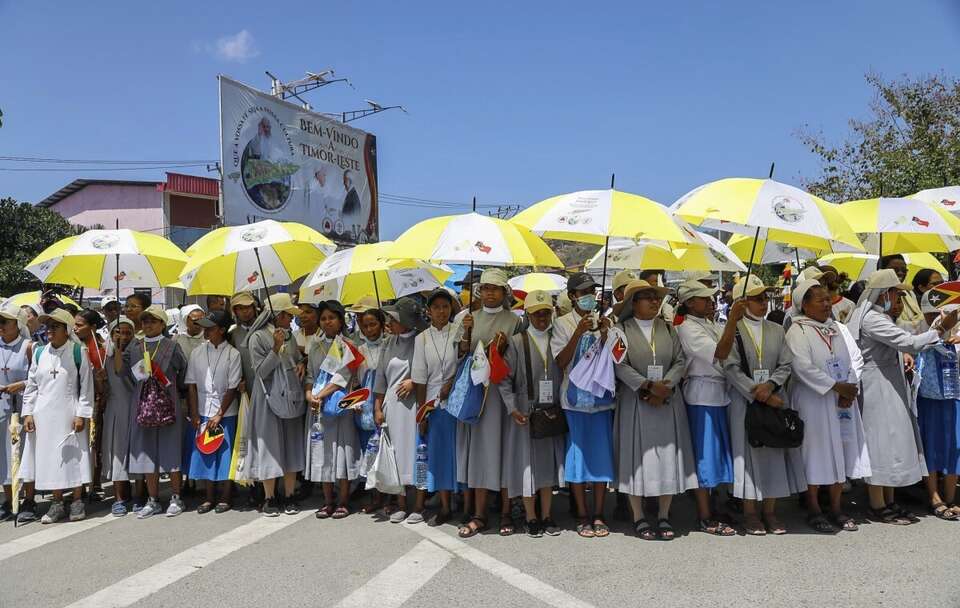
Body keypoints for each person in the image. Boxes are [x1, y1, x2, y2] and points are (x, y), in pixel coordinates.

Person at [848, 269, 958, 524]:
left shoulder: (881, 316)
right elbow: (910, 342)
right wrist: (942, 327)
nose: (899, 299)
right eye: (896, 293)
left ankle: (888, 499)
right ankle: (877, 503)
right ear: (884, 293)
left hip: (890, 384)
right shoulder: (874, 319)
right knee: (879, 443)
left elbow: (904, 346)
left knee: (893, 442)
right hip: (877, 387)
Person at [720, 275, 806, 535]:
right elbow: (729, 366)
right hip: (744, 400)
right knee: (747, 455)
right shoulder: (733, 329)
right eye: (757, 299)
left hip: (774, 396)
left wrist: (770, 387)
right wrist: (755, 391)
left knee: (774, 451)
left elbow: (786, 363)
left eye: (764, 298)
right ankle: (749, 512)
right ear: (741, 302)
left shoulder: (776, 329)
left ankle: (770, 511)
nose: (763, 303)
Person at [613, 279, 696, 540]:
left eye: (656, 297)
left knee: (667, 456)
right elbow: (619, 364)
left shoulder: (669, 329)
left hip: (667, 400)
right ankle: (638, 516)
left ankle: (663, 514)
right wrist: (647, 385)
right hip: (636, 399)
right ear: (632, 303)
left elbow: (680, 360)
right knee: (636, 458)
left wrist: (666, 386)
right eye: (647, 297)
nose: (654, 301)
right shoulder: (620, 330)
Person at [787, 280, 871, 533]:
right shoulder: (797, 331)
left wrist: (851, 387)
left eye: (828, 299)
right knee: (815, 453)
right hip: (814, 401)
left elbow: (853, 360)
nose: (827, 304)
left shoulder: (835, 328)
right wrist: (836, 387)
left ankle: (836, 507)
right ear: (804, 305)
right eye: (820, 300)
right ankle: (813, 507)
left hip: (841, 399)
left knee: (841, 451)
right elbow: (802, 367)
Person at [456, 269, 522, 538]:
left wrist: (504, 350)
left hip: (504, 396)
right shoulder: (469, 319)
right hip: (477, 395)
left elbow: (518, 360)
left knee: (505, 451)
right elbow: (460, 355)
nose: (490, 292)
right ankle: (480, 514)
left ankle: (506, 511)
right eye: (485, 288)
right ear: (479, 291)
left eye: (495, 288)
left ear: (504, 292)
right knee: (481, 453)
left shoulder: (515, 321)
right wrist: (465, 336)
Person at [497, 290, 565, 538]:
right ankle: (531, 516)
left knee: (547, 467)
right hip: (525, 411)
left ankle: (547, 515)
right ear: (528, 314)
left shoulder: (558, 339)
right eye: (537, 314)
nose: (542, 319)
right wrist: (512, 407)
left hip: (551, 411)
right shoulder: (516, 342)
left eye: (546, 313)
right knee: (527, 466)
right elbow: (503, 379)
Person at [551, 272, 615, 539]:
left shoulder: (607, 321)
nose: (589, 296)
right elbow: (560, 362)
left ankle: (599, 512)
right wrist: (577, 334)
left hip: (601, 400)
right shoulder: (562, 324)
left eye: (592, 291)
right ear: (573, 296)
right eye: (583, 292)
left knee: (601, 456)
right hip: (575, 401)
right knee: (576, 457)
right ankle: (581, 513)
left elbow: (617, 357)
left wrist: (607, 334)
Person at [20, 308, 95, 523]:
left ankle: (77, 501)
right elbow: (32, 385)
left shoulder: (78, 352)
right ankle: (56, 503)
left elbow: (86, 387)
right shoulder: (39, 353)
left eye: (55, 326)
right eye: (48, 326)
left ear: (66, 329)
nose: (49, 330)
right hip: (43, 414)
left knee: (73, 456)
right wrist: (28, 414)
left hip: (69, 412)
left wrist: (81, 414)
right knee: (49, 458)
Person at [675, 279, 736, 536]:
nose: (711, 301)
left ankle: (716, 503)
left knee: (717, 454)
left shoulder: (709, 323)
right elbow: (721, 353)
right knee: (704, 456)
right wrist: (733, 319)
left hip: (720, 392)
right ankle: (704, 514)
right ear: (690, 302)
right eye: (705, 298)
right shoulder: (688, 328)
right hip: (702, 394)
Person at [124, 305, 188, 519]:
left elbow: (182, 370)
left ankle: (176, 496)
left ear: (162, 323)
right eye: (145, 321)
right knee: (145, 450)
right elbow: (127, 373)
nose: (148, 324)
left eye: (153, 320)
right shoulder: (135, 346)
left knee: (171, 449)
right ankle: (153, 500)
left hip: (168, 402)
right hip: (142, 403)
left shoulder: (172, 345)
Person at [244, 293, 305, 516]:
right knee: (269, 445)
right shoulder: (257, 337)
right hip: (267, 398)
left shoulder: (290, 336)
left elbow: (296, 361)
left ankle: (288, 495)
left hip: (290, 395)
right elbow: (260, 371)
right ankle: (269, 497)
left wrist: (301, 365)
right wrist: (275, 347)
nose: (291, 320)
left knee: (290, 444)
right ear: (278, 315)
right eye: (288, 315)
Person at [305, 300, 360, 520]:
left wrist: (320, 394)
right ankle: (327, 501)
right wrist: (310, 395)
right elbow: (310, 375)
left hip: (340, 406)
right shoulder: (315, 345)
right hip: (317, 407)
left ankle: (344, 501)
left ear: (340, 320)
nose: (327, 322)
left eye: (332, 318)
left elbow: (342, 378)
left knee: (342, 454)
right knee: (323, 453)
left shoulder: (347, 345)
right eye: (324, 318)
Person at [374, 297, 427, 523]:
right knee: (396, 455)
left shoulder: (421, 340)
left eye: (393, 318)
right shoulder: (387, 343)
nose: (389, 322)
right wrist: (377, 407)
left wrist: (414, 382)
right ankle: (402, 503)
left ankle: (419, 505)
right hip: (392, 407)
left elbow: (428, 370)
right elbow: (379, 377)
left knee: (417, 453)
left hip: (413, 405)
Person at [412, 289, 460, 526]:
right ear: (428, 311)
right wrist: (422, 412)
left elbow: (464, 363)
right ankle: (444, 505)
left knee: (458, 452)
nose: (442, 311)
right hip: (432, 402)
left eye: (446, 306)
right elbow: (419, 378)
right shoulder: (421, 339)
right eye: (437, 307)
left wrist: (450, 383)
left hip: (457, 402)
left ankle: (465, 502)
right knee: (439, 455)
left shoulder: (459, 333)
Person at [186, 310, 242, 514]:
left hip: (226, 412)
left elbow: (232, 387)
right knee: (206, 452)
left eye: (210, 327)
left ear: (221, 329)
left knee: (225, 455)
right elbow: (191, 384)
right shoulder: (197, 352)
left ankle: (226, 495)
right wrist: (193, 413)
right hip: (202, 409)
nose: (205, 331)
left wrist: (219, 413)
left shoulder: (232, 354)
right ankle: (209, 497)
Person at [915, 291, 960, 520]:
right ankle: (934, 497)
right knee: (931, 444)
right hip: (931, 395)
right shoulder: (928, 326)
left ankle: (951, 498)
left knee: (956, 445)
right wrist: (943, 330)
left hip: (956, 395)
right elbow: (920, 346)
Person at [100, 316, 138, 515]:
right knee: (116, 452)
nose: (122, 336)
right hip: (116, 409)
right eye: (118, 332)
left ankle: (140, 493)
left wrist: (120, 352)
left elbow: (123, 372)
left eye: (127, 333)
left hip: (135, 407)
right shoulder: (105, 354)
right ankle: (119, 497)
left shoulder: (137, 353)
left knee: (137, 452)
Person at [353, 306, 387, 513]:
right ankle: (375, 495)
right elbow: (355, 380)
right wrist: (355, 400)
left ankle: (390, 495)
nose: (369, 329)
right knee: (370, 448)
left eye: (373, 324)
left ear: (382, 325)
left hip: (385, 399)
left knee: (387, 447)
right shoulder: (360, 349)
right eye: (365, 326)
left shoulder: (389, 345)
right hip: (365, 404)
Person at [0, 307, 32, 521]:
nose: (1, 326)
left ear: (18, 324)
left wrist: (21, 384)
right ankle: (9, 499)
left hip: (24, 408)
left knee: (26, 453)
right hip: (2, 409)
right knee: (3, 455)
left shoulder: (29, 347)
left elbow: (40, 379)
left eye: (5, 321)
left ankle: (29, 499)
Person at [74, 309, 107, 493]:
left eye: (80, 325)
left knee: (94, 443)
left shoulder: (99, 350)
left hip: (95, 402)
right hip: (74, 401)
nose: (75, 328)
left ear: (93, 327)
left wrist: (101, 380)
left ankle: (94, 482)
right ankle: (78, 483)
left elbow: (103, 382)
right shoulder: (72, 346)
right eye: (74, 324)